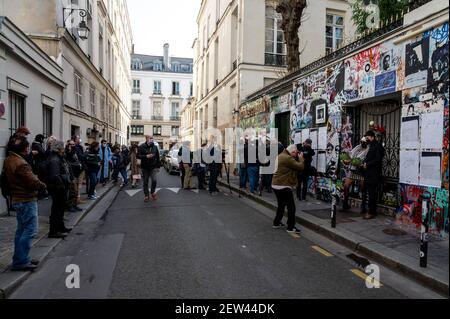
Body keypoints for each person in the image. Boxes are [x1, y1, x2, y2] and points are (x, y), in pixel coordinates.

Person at [4, 136, 47, 271]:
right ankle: (21, 261)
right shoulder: (21, 163)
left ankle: (20, 258)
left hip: (18, 198)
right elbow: (32, 181)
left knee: (21, 230)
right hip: (26, 199)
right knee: (30, 230)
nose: (29, 149)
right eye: (27, 147)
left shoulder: (9, 159)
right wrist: (42, 185)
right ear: (23, 149)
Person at [272, 145, 305, 234]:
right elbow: (300, 167)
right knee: (291, 207)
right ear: (292, 152)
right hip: (283, 185)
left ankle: (276, 222)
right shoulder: (288, 158)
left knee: (281, 205)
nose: (296, 154)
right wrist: (301, 159)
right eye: (296, 153)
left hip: (275, 184)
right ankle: (290, 227)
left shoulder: (280, 155)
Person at [47, 141, 73, 239]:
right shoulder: (55, 159)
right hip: (57, 188)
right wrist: (62, 186)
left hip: (60, 187)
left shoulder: (59, 157)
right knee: (56, 210)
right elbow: (55, 175)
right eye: (62, 147)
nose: (64, 149)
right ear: (58, 149)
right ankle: (53, 231)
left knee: (60, 208)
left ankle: (61, 227)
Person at [341, 137, 370, 213]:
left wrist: (350, 160)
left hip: (361, 171)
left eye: (364, 142)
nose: (362, 143)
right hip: (353, 170)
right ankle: (345, 205)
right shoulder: (358, 147)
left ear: (367, 142)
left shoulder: (368, 149)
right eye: (361, 142)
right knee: (346, 186)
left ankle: (363, 207)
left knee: (363, 189)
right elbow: (351, 154)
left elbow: (359, 159)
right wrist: (346, 159)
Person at [362, 131, 385, 220]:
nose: (366, 139)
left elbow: (378, 159)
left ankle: (371, 212)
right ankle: (370, 211)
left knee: (372, 194)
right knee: (370, 193)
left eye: (367, 137)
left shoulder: (377, 146)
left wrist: (367, 164)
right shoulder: (371, 145)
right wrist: (364, 163)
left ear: (371, 137)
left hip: (374, 174)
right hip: (369, 173)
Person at [138, 135, 161, 202]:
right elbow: (138, 155)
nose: (152, 139)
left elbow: (157, 157)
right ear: (147, 139)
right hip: (145, 167)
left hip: (153, 167)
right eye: (150, 138)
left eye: (152, 138)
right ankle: (146, 195)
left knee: (154, 180)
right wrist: (146, 156)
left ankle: (152, 192)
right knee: (145, 181)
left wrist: (158, 166)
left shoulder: (155, 147)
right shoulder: (142, 146)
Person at [65, 140, 83, 213]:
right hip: (71, 174)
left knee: (76, 191)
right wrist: (69, 151)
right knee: (73, 190)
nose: (72, 145)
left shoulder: (75, 151)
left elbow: (77, 159)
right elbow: (68, 162)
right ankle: (70, 206)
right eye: (71, 144)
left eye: (73, 144)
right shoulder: (67, 152)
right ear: (68, 145)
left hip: (77, 172)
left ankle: (74, 205)